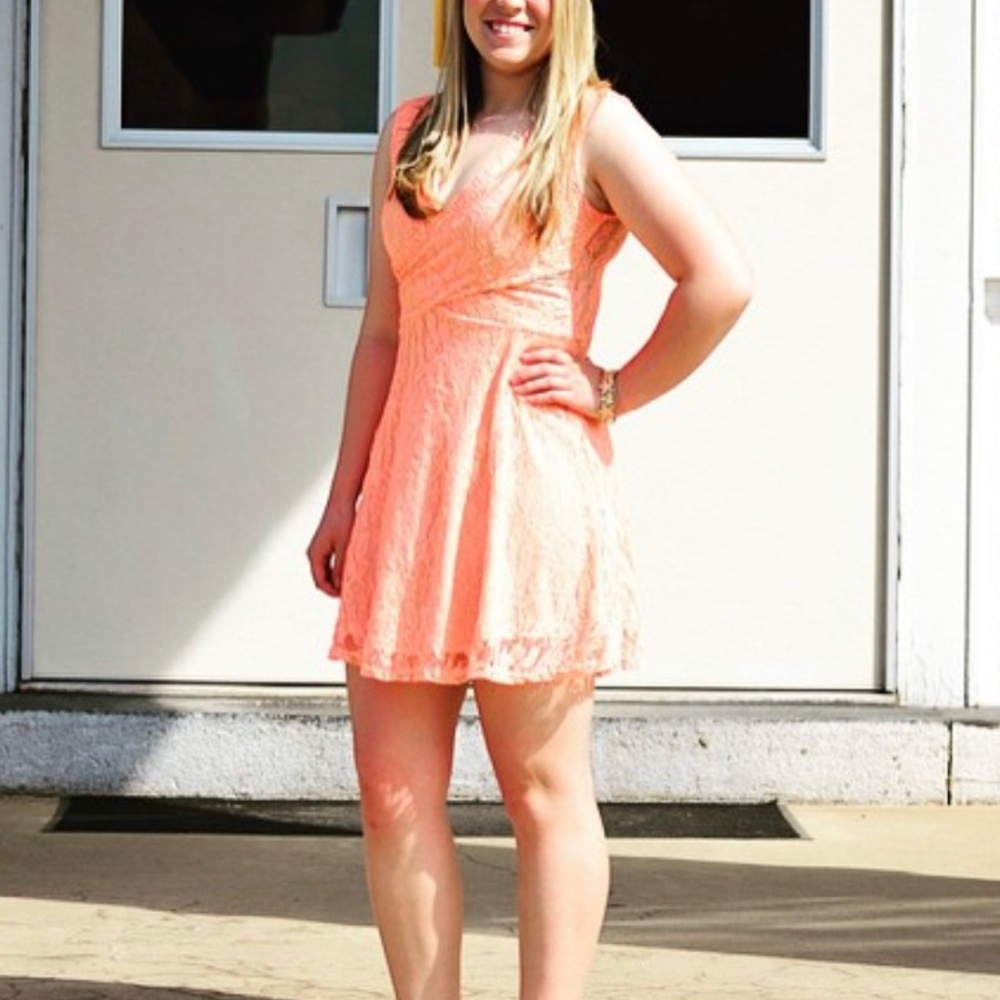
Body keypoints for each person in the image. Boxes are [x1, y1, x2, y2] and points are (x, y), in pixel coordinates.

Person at [307, 1, 753, 997]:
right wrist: (344, 496)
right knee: (390, 793)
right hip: (412, 490)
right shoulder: (408, 134)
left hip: (529, 489)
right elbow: (382, 334)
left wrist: (613, 389)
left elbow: (718, 278)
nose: (508, 2)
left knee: (542, 790)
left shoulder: (595, 124)